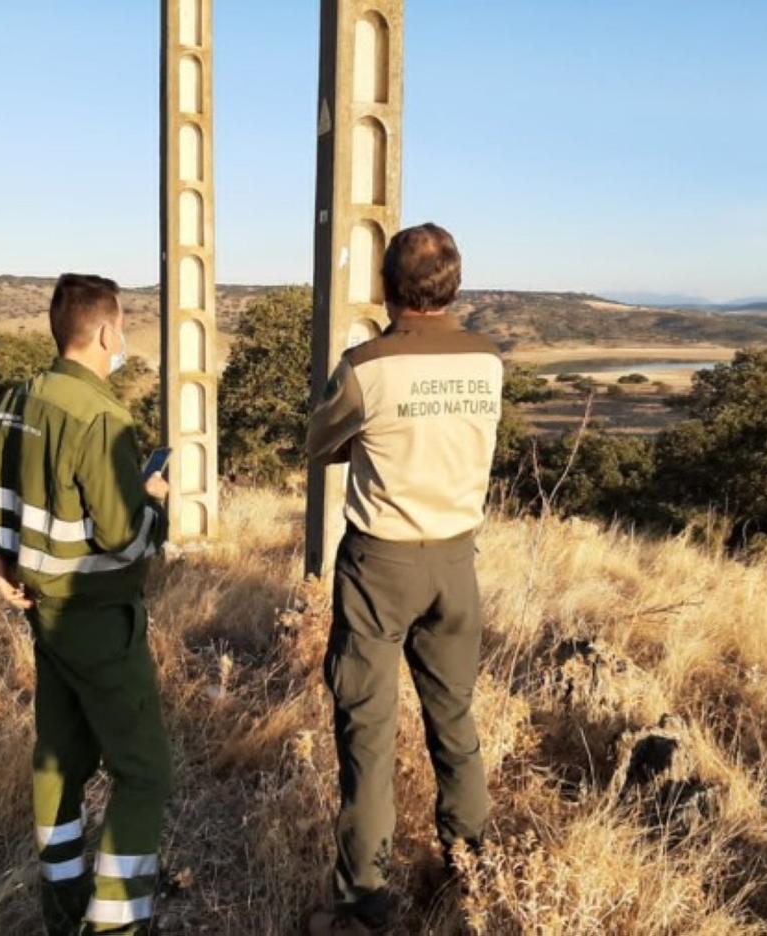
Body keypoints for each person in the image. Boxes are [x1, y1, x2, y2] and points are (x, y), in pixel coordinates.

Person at [0, 273, 171, 935]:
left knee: (58, 760)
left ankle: (63, 906)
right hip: (97, 621)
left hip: (44, 619)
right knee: (144, 773)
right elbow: (124, 538)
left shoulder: (14, 401)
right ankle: (116, 924)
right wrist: (156, 504)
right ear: (104, 332)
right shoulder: (101, 417)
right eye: (121, 328)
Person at [305, 224, 504, 935]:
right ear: (453, 285)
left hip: (380, 564)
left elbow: (320, 442)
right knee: (454, 720)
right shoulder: (488, 361)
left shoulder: (367, 365)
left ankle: (365, 901)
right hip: (457, 560)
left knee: (367, 729)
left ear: (387, 288)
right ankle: (472, 868)